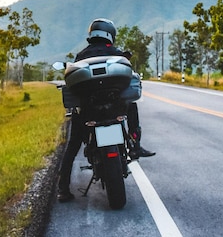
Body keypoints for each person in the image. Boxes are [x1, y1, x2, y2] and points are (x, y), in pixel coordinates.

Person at [57, 18, 155, 202]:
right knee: (132, 104)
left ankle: (63, 189)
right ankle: (135, 143)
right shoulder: (116, 54)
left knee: (73, 145)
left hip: (88, 112)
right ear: (110, 34)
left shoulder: (81, 56)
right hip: (114, 109)